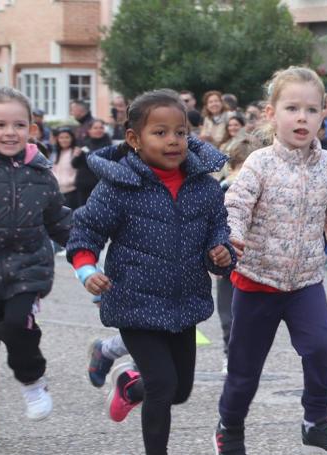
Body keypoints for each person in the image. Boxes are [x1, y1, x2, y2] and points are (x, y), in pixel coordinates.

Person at [66, 89, 236, 455]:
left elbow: (219, 231)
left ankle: (129, 387)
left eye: (180, 132)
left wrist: (221, 254)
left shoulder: (204, 187)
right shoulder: (118, 185)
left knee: (180, 389)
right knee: (162, 385)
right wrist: (86, 268)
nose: (173, 140)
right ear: (134, 139)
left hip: (183, 301)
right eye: (160, 132)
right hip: (133, 300)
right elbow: (86, 231)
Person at [213, 66, 327, 455]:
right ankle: (229, 427)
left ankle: (315, 421)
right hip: (255, 282)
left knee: (321, 348)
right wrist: (231, 238)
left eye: (312, 110)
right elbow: (236, 204)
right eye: (292, 108)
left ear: (322, 117)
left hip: (305, 283)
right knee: (244, 370)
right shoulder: (259, 163)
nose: (302, 117)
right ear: (271, 114)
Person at [0, 87, 71, 444]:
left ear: (32, 128)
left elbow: (58, 218)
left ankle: (32, 380)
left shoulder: (40, 172)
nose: (9, 132)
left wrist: (83, 249)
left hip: (27, 269)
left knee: (16, 325)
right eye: (0, 124)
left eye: (19, 124)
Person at [216, 135, 261, 372]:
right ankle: (230, 355)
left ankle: (248, 356)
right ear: (232, 167)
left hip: (257, 264)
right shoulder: (222, 190)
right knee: (229, 316)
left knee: (253, 316)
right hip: (229, 262)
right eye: (241, 168)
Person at [73, 119, 113, 206]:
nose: (99, 130)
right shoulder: (83, 143)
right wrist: (77, 155)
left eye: (101, 128)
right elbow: (74, 164)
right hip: (83, 185)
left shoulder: (109, 145)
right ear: (89, 131)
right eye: (95, 128)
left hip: (100, 184)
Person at [51, 126, 81, 210]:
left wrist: (70, 181)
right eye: (61, 137)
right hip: (58, 192)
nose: (64, 140)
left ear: (72, 138)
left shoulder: (76, 151)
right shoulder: (55, 153)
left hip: (72, 192)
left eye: (67, 137)